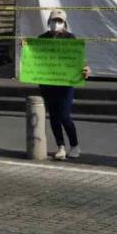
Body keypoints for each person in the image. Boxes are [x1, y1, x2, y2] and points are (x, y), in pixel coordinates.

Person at [37, 9, 91, 161]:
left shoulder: (70, 38)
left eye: (59, 21)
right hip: (47, 83)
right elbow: (34, 56)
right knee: (54, 117)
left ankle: (74, 145)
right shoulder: (41, 39)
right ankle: (60, 146)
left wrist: (86, 68)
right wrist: (26, 47)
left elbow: (78, 58)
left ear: (64, 23)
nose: (56, 24)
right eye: (54, 20)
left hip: (65, 84)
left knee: (64, 116)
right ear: (49, 22)